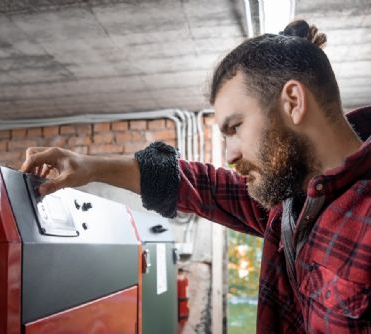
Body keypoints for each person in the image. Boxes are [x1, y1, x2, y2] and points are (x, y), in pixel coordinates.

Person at [20, 20, 370, 333]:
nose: (230, 155)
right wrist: (91, 167)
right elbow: (205, 187)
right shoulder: (295, 202)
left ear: (293, 102)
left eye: (235, 127)